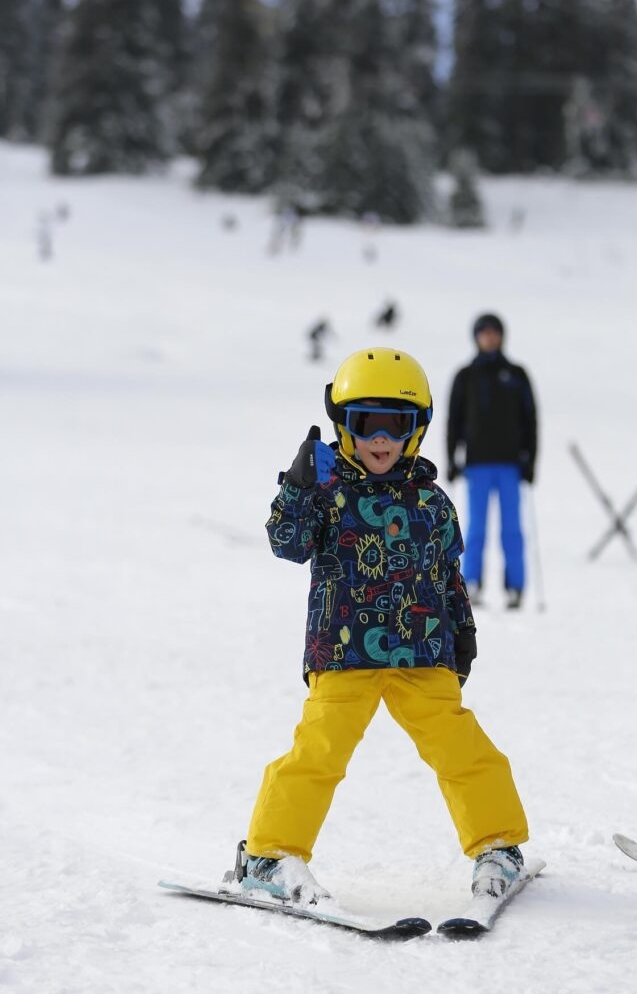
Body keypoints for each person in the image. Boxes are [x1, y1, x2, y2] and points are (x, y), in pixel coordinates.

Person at [221, 347, 529, 906]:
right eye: (366, 423)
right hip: (343, 655)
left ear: (417, 430)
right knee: (317, 755)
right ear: (344, 424)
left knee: (463, 750)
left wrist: (462, 629)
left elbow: (448, 573)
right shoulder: (327, 492)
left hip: (423, 654)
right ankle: (268, 855)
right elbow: (286, 544)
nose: (380, 439)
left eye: (396, 424)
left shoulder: (432, 501)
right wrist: (297, 488)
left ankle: (499, 846)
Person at [446, 313, 538, 609]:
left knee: (512, 528)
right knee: (475, 528)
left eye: (494, 332)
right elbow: (453, 420)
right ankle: (471, 582)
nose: (489, 338)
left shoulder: (516, 374)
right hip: (477, 464)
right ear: (476, 336)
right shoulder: (466, 376)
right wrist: (451, 457)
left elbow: (530, 419)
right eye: (483, 333)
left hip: (510, 464)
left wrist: (530, 460)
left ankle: (516, 586)